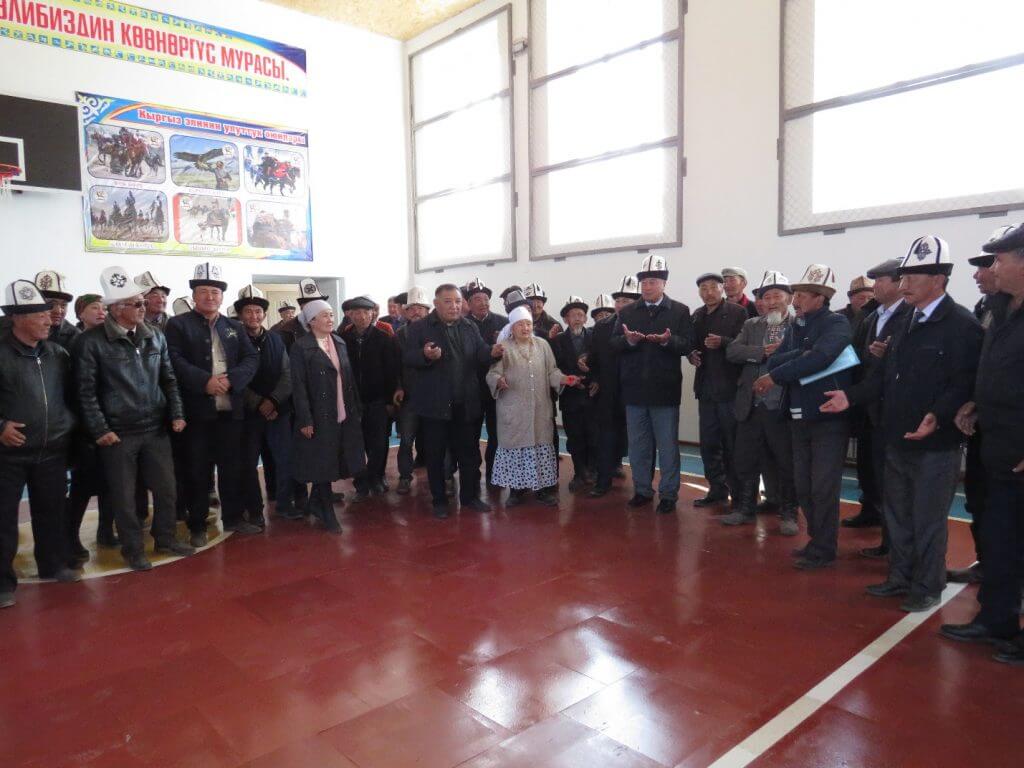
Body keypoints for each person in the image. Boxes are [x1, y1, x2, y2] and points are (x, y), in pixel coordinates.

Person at [822, 237, 982, 611]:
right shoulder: (906, 319)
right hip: (895, 436)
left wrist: (938, 415)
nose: (904, 284)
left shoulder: (961, 324)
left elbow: (966, 382)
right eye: (903, 277)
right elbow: (884, 375)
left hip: (934, 443)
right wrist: (851, 397)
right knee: (896, 513)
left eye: (912, 277)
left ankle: (926, 585)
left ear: (939, 279)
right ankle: (900, 576)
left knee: (927, 518)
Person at [941, 222, 1024, 663]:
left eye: (999, 260)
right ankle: (996, 619)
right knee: (1001, 539)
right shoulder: (1001, 308)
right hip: (999, 446)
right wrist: (976, 401)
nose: (991, 268)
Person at [75, 267, 195, 571]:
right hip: (118, 433)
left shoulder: (154, 336)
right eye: (137, 303)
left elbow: (168, 379)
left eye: (143, 303)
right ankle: (133, 549)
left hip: (155, 428)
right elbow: (85, 392)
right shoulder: (91, 342)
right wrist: (100, 429)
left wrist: (177, 413)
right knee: (124, 497)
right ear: (117, 309)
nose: (145, 308)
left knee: (166, 489)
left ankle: (165, 538)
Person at [760, 264, 853, 570]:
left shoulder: (837, 324)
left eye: (801, 295)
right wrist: (803, 355)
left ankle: (825, 548)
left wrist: (785, 369)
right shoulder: (797, 326)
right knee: (804, 485)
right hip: (798, 415)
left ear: (819, 298)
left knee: (823, 487)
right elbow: (776, 358)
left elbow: (821, 358)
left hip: (826, 417)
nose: (795, 300)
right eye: (796, 294)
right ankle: (816, 539)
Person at [165, 262, 260, 547]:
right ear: (194, 295)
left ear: (222, 296)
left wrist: (231, 379)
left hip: (230, 412)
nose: (210, 296)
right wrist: (204, 381)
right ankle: (197, 524)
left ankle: (233, 517)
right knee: (196, 471)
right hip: (197, 413)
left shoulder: (234, 326)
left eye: (215, 292)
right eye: (204, 291)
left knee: (232, 468)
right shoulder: (178, 325)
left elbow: (251, 358)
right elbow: (173, 359)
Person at [0, 280, 81, 608]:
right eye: (40, 315)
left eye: (49, 314)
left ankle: (53, 563)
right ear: (18, 319)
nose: (50, 319)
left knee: (52, 511)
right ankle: (2, 583)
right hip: (9, 454)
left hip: (52, 450)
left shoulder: (57, 354)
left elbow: (71, 397)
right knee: (4, 519)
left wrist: (67, 427)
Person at [947, 224, 1019, 585]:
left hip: (1016, 436)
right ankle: (990, 569)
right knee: (984, 504)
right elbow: (988, 366)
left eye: (992, 263)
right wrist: (975, 401)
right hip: (989, 431)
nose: (980, 273)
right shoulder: (992, 308)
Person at [402, 284, 503, 518]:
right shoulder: (419, 328)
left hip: (465, 404)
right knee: (436, 456)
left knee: (469, 454)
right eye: (448, 302)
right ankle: (439, 501)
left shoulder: (469, 326)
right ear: (436, 304)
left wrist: (492, 352)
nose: (454, 306)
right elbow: (408, 357)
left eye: (458, 301)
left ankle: (470, 497)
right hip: (435, 405)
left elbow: (480, 352)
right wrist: (425, 355)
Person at [612, 255, 693, 514]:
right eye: (644, 282)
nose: (647, 287)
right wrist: (630, 341)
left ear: (664, 284)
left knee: (668, 447)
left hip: (665, 391)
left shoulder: (679, 311)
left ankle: (668, 494)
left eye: (653, 282)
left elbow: (688, 345)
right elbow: (614, 344)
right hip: (634, 391)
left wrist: (668, 341)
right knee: (638, 447)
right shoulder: (627, 312)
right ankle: (642, 490)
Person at [841, 258, 912, 556]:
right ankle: (875, 517)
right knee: (871, 472)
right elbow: (856, 356)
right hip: (869, 408)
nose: (875, 287)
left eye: (881, 280)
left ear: (898, 283)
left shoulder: (910, 315)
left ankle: (895, 545)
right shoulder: (872, 318)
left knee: (895, 483)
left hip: (894, 410)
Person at [724, 271, 798, 533]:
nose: (772, 301)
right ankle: (745, 508)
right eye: (767, 297)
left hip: (782, 406)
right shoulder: (752, 325)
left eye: (777, 296)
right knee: (745, 459)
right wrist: (760, 352)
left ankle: (789, 513)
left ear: (790, 298)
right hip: (751, 405)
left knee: (786, 461)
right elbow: (732, 351)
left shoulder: (799, 325)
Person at [488, 306, 577, 506]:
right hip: (513, 411)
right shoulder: (504, 347)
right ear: (512, 327)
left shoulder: (543, 345)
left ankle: (542, 491)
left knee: (539, 449)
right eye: (520, 324)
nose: (525, 328)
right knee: (517, 450)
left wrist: (564, 379)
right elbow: (492, 374)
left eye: (528, 324)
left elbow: (551, 371)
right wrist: (498, 381)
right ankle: (516, 491)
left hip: (540, 410)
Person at [290, 300, 364, 533]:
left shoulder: (339, 342)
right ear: (312, 321)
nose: (330, 319)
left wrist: (356, 409)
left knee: (333, 458)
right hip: (318, 414)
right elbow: (298, 386)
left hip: (341, 411)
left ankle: (316, 502)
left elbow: (348, 379)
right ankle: (325, 510)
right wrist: (305, 419)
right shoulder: (301, 347)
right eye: (325, 315)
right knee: (322, 461)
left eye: (331, 315)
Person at [234, 285, 295, 527]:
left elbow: (287, 374)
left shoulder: (276, 339)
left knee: (284, 459)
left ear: (264, 314)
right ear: (241, 315)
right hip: (248, 414)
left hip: (278, 411)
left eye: (258, 311)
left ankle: (284, 504)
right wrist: (259, 403)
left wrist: (273, 401)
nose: (254, 316)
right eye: (248, 311)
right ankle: (254, 510)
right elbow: (234, 377)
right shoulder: (233, 342)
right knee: (248, 464)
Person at [689, 272, 747, 507]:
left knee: (732, 444)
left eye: (713, 287)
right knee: (709, 443)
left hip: (730, 389)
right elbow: (691, 344)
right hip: (705, 390)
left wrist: (723, 342)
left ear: (722, 289)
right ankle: (716, 489)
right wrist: (691, 354)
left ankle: (740, 496)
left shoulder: (738, 312)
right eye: (703, 288)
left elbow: (746, 346)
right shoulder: (697, 315)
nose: (708, 292)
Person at [582, 277, 640, 498]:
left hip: (637, 393)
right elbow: (594, 359)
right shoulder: (602, 326)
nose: (621, 305)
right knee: (605, 438)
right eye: (619, 300)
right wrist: (593, 376)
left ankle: (643, 487)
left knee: (640, 441)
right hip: (608, 393)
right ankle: (603, 481)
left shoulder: (645, 324)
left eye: (627, 301)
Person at [340, 295, 401, 501]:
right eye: (356, 312)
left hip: (378, 400)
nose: (361, 316)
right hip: (352, 402)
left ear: (372, 313)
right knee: (357, 444)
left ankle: (377, 476)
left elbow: (392, 371)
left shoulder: (384, 338)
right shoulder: (342, 339)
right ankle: (361, 483)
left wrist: (389, 401)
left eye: (365, 312)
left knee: (379, 443)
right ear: (350, 315)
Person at [464, 279, 507, 487]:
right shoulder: (462, 325)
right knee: (470, 436)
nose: (483, 303)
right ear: (468, 303)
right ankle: (472, 475)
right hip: (470, 390)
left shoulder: (503, 322)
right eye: (477, 299)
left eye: (486, 298)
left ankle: (494, 475)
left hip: (496, 389)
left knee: (496, 435)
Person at [552, 296, 598, 491]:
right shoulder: (558, 340)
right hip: (570, 397)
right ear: (566, 320)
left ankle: (592, 471)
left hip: (592, 396)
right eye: (573, 315)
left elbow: (602, 363)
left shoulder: (595, 337)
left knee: (593, 436)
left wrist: (595, 379)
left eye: (581, 315)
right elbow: (554, 366)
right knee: (574, 437)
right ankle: (579, 473)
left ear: (586, 319)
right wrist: (570, 379)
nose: (577, 318)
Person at [395, 287, 431, 494]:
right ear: (406, 312)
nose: (416, 311)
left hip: (433, 395)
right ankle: (404, 476)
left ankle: (444, 477)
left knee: (438, 439)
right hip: (409, 396)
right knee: (406, 440)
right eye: (412, 308)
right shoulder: (400, 334)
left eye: (420, 308)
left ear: (427, 311)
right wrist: (399, 386)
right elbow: (395, 365)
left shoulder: (437, 331)